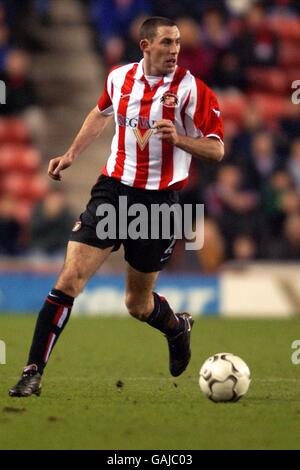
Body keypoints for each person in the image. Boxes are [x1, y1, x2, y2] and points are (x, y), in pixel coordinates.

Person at [9, 16, 224, 397]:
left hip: (159, 204)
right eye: (166, 43)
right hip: (113, 193)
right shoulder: (119, 78)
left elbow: (216, 148)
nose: (175, 49)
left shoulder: (192, 90)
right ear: (145, 46)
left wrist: (181, 140)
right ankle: (32, 372)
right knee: (69, 279)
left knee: (137, 304)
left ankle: (176, 328)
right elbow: (100, 112)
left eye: (176, 43)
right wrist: (72, 153)